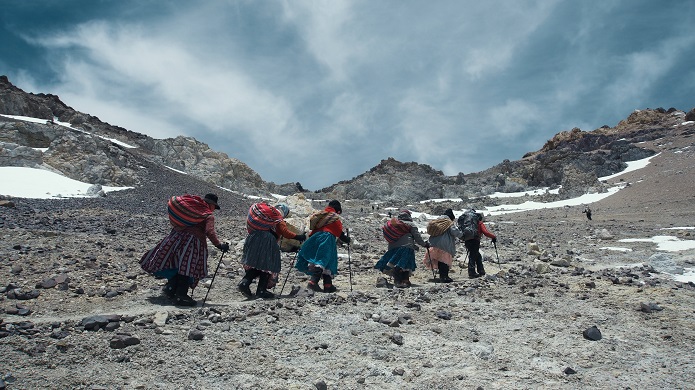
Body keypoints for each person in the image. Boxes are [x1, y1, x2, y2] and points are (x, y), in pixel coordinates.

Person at [140, 193, 229, 306]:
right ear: (210, 204)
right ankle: (181, 296)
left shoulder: (192, 211)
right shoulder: (208, 215)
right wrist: (219, 245)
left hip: (176, 238)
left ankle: (171, 289)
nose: (214, 210)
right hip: (193, 243)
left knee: (176, 264)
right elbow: (209, 232)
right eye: (214, 207)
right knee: (187, 268)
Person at [238, 203, 306, 299]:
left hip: (253, 239)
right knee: (268, 265)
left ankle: (244, 283)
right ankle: (261, 291)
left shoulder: (267, 218)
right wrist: (298, 236)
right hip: (267, 242)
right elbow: (284, 231)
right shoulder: (278, 219)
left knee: (256, 265)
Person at [295, 200, 350, 293]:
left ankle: (328, 285)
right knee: (323, 260)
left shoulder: (322, 215)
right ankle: (313, 283)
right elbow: (339, 233)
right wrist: (347, 239)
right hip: (327, 238)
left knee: (324, 261)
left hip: (315, 238)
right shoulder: (334, 217)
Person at [375, 209, 429, 288]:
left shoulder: (394, 224)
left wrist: (414, 246)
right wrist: (424, 244)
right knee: (404, 265)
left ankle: (398, 280)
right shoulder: (411, 224)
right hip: (406, 247)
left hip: (392, 247)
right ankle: (402, 281)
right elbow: (417, 237)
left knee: (395, 263)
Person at [423, 209, 462, 283]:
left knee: (440, 260)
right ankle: (444, 277)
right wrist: (461, 234)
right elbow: (455, 232)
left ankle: (442, 276)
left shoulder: (437, 221)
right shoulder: (448, 222)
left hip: (433, 243)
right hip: (445, 244)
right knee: (444, 261)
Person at [464, 211, 496, 279]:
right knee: (473, 255)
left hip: (467, 240)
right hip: (475, 240)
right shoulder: (479, 223)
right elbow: (485, 232)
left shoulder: (467, 223)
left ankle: (481, 271)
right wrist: (493, 237)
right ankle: (472, 272)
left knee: (477, 255)